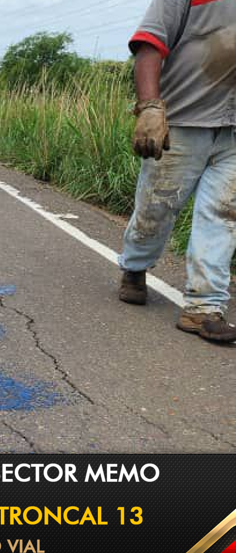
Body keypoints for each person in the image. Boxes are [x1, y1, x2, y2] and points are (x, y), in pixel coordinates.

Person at [118, 0, 236, 343]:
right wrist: (150, 107)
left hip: (232, 131)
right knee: (156, 209)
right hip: (181, 124)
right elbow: (149, 45)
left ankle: (203, 307)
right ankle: (135, 267)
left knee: (224, 215)